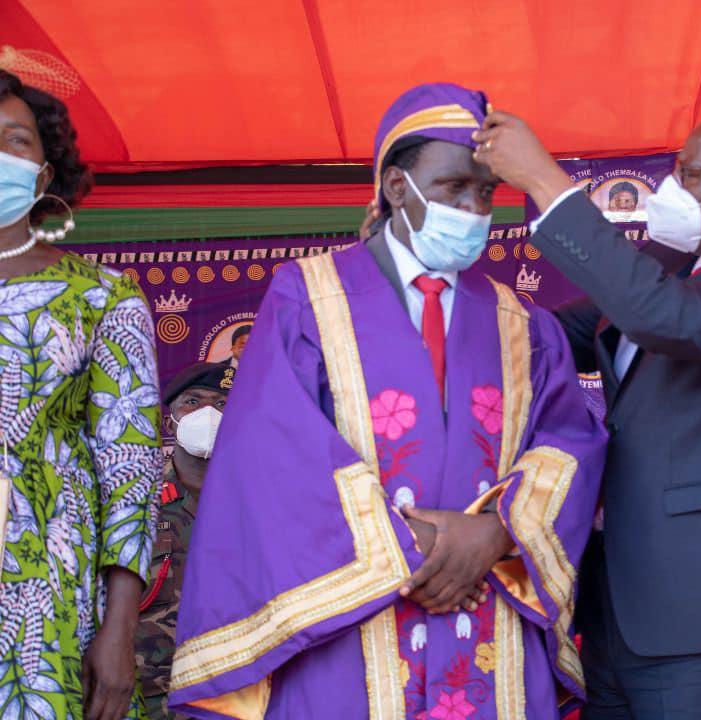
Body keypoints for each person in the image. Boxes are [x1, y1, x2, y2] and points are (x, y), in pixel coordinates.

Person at [169, 83, 605, 718]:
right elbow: (270, 454)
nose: (474, 209)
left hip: (487, 611)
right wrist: (410, 545)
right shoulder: (308, 299)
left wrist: (495, 532)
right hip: (349, 627)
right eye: (454, 188)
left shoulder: (520, 324)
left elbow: (570, 442)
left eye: (486, 192)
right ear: (397, 187)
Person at [474, 105, 701, 718]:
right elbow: (547, 338)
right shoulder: (676, 269)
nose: (672, 186)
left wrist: (543, 180)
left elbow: (658, 314)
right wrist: (435, 294)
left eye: (690, 173)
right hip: (619, 616)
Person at [0, 70, 162, 720]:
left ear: (44, 174)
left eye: (15, 139)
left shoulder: (102, 297)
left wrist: (119, 630)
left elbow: (130, 468)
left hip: (50, 598)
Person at [135, 363, 233, 720]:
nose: (208, 413)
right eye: (192, 402)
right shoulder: (135, 505)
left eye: (221, 405)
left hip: (232, 696)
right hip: (148, 698)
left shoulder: (258, 506)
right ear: (170, 422)